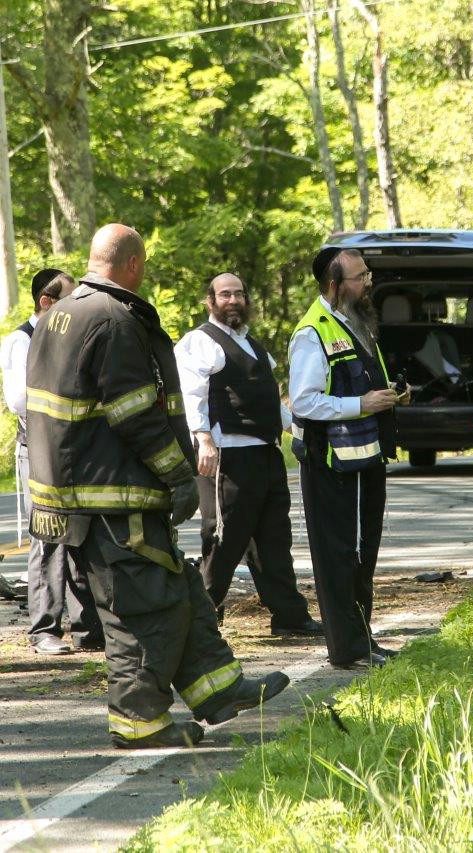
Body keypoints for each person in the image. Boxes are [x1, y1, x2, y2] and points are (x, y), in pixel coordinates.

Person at [25, 224, 289, 749]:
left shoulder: (58, 315)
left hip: (86, 496)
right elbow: (136, 415)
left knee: (179, 587)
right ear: (133, 265)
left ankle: (218, 689)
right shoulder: (114, 320)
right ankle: (140, 723)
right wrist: (178, 473)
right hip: (112, 497)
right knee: (140, 608)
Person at [174, 273, 322, 638]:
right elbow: (191, 397)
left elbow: (272, 400)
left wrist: (299, 430)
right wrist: (203, 440)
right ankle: (204, 617)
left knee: (274, 538)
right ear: (210, 300)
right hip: (227, 459)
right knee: (223, 539)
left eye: (239, 293)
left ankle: (289, 616)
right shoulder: (198, 343)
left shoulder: (255, 346)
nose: (234, 300)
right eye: (225, 294)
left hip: (267, 455)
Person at [289, 248, 403, 669]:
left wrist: (388, 397)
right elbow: (304, 402)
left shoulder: (357, 324)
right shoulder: (311, 332)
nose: (367, 282)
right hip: (332, 466)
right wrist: (361, 404)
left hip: (364, 461)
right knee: (339, 556)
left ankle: (362, 640)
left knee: (362, 552)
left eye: (367, 274)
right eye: (359, 276)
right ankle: (348, 648)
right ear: (335, 285)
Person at [1, 268, 102, 655]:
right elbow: (20, 400)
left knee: (80, 532)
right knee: (47, 536)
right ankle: (44, 628)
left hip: (74, 449)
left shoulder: (68, 338)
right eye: (67, 298)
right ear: (46, 302)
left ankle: (86, 627)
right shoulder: (20, 341)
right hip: (40, 449)